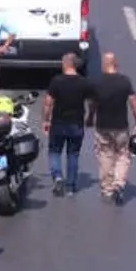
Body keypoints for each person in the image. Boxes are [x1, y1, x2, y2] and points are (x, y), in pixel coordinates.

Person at [86, 52, 136, 205]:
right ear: (115, 64)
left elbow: (92, 104)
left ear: (104, 65)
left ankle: (107, 189)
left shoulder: (97, 82)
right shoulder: (125, 82)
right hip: (121, 127)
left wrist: (90, 118)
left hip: (102, 126)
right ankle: (119, 184)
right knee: (123, 155)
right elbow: (134, 104)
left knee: (105, 156)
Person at [42, 53, 92, 197]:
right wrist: (90, 117)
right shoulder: (84, 82)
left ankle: (57, 176)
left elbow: (48, 103)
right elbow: (92, 102)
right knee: (73, 154)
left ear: (65, 64)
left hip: (58, 123)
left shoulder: (57, 81)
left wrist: (46, 120)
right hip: (76, 124)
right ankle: (70, 186)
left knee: (54, 151)